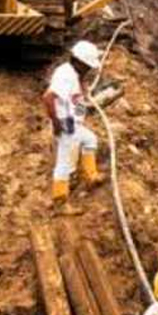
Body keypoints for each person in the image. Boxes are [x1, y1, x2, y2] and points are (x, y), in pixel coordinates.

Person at [43, 40, 103, 213]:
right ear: (79, 62)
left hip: (73, 122)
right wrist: (56, 123)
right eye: (87, 66)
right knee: (64, 163)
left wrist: (83, 89)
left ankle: (91, 176)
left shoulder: (75, 74)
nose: (89, 69)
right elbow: (48, 98)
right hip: (66, 123)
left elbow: (77, 100)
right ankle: (60, 202)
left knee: (90, 139)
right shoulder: (65, 75)